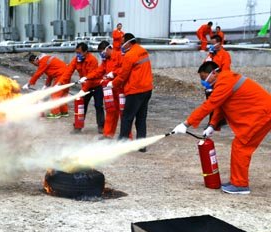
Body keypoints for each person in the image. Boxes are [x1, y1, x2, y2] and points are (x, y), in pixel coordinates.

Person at [172, 61, 271, 194]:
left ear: (214, 73)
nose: (203, 82)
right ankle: (237, 182)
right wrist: (212, 125)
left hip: (262, 115)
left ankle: (240, 185)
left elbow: (210, 105)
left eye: (204, 78)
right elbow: (220, 105)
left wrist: (186, 123)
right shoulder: (225, 79)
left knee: (241, 147)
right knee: (239, 146)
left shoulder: (225, 81)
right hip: (262, 114)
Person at [107, 33, 153, 152]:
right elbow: (129, 69)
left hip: (135, 90)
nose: (121, 45)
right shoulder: (142, 51)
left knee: (127, 117)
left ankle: (122, 143)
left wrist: (113, 83)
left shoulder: (129, 55)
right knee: (141, 118)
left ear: (129, 42)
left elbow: (123, 76)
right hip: (147, 89)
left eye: (123, 43)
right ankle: (141, 145)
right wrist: (114, 73)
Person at [80, 40, 123, 139]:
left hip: (120, 89)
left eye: (102, 52)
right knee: (110, 110)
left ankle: (126, 136)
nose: (102, 55)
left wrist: (114, 73)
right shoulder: (105, 60)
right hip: (110, 89)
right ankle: (108, 134)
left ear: (108, 49)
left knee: (123, 113)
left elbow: (125, 68)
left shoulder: (120, 56)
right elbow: (98, 71)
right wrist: (87, 77)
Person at [58, 42, 104, 134]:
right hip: (85, 86)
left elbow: (90, 78)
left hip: (96, 86)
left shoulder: (92, 60)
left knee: (98, 106)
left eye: (79, 53)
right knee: (81, 106)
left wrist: (83, 90)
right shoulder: (76, 60)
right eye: (77, 52)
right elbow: (68, 71)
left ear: (85, 52)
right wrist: (61, 82)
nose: (78, 55)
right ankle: (78, 126)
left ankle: (101, 126)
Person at [23, 54, 69, 118]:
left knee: (55, 94)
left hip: (62, 76)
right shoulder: (45, 59)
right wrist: (46, 85)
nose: (34, 65)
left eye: (33, 63)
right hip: (66, 74)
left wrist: (29, 84)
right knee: (62, 94)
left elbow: (38, 74)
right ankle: (64, 112)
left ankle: (55, 114)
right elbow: (51, 74)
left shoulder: (43, 61)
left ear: (35, 60)